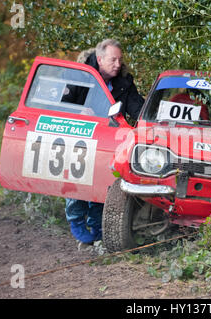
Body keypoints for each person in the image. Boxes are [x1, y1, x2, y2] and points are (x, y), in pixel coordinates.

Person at [66, 39, 144, 245]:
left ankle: (96, 224)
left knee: (104, 181)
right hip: (80, 136)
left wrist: (151, 120)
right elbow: (62, 105)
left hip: (109, 138)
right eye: (113, 60)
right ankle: (77, 222)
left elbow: (137, 108)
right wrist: (78, 111)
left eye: (120, 60)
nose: (118, 64)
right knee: (77, 180)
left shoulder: (125, 81)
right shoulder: (79, 75)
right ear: (99, 59)